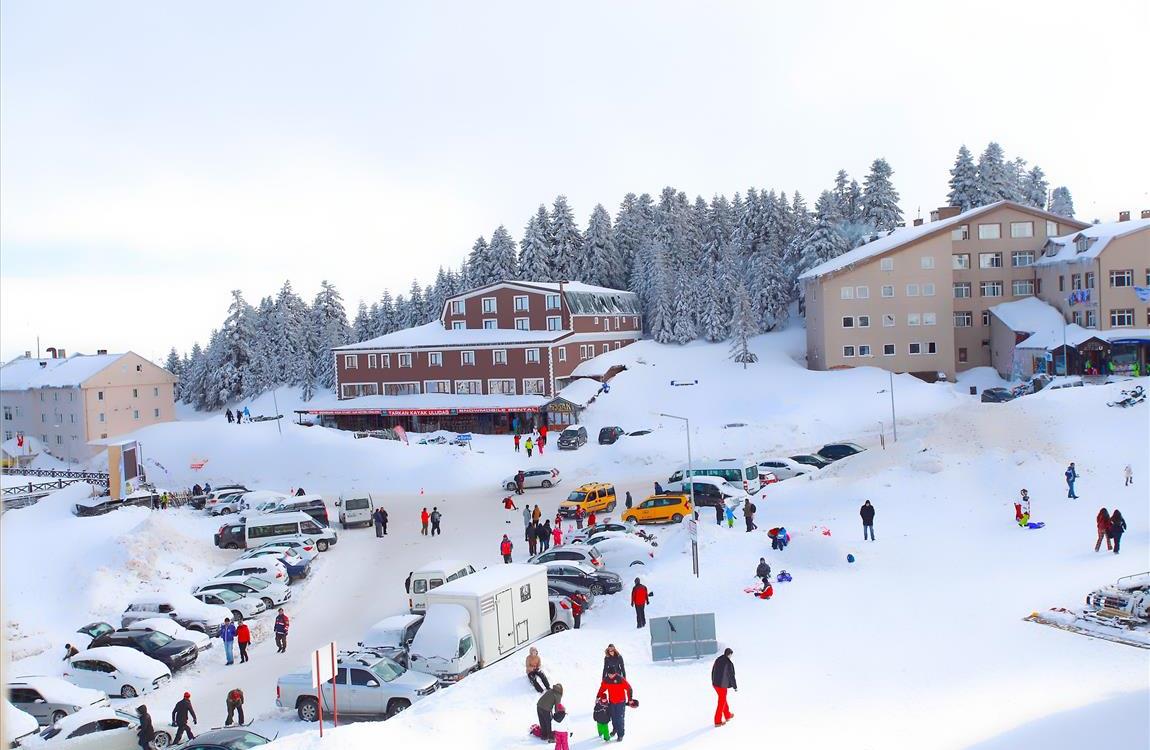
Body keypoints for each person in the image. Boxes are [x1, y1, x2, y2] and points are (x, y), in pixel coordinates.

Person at [596, 671, 634, 741]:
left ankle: (620, 735)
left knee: (619, 719)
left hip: (620, 702)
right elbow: (602, 689)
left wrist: (630, 699)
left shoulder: (620, 679)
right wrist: (598, 696)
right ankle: (615, 729)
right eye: (609, 674)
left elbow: (629, 688)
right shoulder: (606, 680)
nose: (611, 676)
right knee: (613, 717)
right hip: (612, 702)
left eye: (612, 674)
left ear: (615, 673)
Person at [711, 648, 736, 727]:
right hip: (722, 685)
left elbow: (713, 670)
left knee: (723, 698)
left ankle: (727, 714)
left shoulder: (718, 659)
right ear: (729, 654)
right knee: (721, 702)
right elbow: (731, 676)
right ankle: (717, 721)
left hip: (715, 684)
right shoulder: (728, 663)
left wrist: (713, 680)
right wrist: (735, 686)